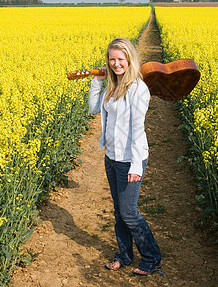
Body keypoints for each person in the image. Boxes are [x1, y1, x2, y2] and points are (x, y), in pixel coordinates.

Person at [88, 37, 162, 275]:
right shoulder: (112, 85)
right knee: (119, 211)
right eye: (112, 59)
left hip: (131, 159)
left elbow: (138, 128)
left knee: (129, 212)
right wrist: (96, 82)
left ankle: (151, 257)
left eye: (120, 59)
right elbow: (93, 109)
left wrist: (136, 166)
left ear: (130, 59)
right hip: (111, 157)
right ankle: (124, 255)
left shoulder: (138, 89)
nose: (116, 64)